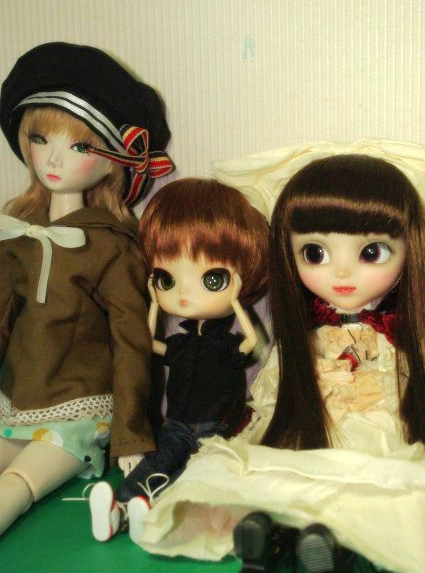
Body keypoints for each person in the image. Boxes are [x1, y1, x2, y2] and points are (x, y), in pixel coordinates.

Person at [133, 151, 425, 573]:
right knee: (275, 470)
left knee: (371, 487)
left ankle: (332, 545)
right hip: (305, 423)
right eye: (315, 253)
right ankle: (271, 536)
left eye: (371, 252)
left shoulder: (399, 341)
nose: (342, 273)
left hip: (375, 424)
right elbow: (268, 393)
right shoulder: (301, 342)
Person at [0, 41, 173, 536]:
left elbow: (131, 342)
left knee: (17, 485)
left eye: (79, 147)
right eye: (40, 138)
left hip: (79, 412)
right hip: (14, 401)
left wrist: (131, 434)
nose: (53, 158)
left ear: (113, 162)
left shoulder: (111, 247)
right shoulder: (18, 236)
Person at [88, 177, 269, 543]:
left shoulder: (226, 344)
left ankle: (156, 512)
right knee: (157, 463)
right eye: (167, 278)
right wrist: (155, 303)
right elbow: (149, 345)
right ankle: (120, 504)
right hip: (176, 424)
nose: (185, 294)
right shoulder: (181, 342)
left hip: (217, 428)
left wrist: (235, 300)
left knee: (195, 473)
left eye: (211, 279)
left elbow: (252, 342)